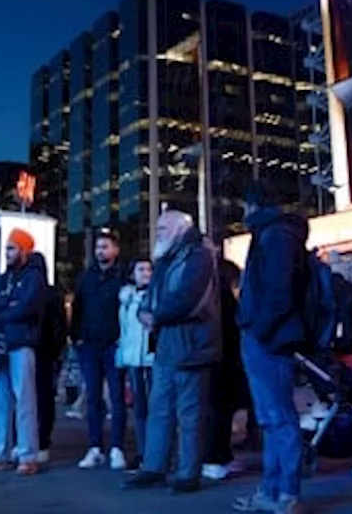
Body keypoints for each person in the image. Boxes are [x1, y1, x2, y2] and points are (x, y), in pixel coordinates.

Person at [123, 210, 220, 495]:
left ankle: (187, 473)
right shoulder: (168, 258)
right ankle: (155, 466)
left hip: (191, 343)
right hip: (169, 342)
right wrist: (146, 311)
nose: (159, 231)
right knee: (160, 408)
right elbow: (155, 293)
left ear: (181, 228)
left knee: (189, 413)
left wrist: (156, 316)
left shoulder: (199, 256)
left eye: (164, 227)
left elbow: (190, 298)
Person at [232, 180, 310, 514]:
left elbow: (278, 292)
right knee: (271, 417)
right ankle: (273, 490)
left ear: (252, 205)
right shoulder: (273, 233)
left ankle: (285, 493)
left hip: (268, 338)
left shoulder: (275, 235)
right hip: (265, 335)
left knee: (277, 416)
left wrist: (258, 330)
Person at [0, 228, 47, 476]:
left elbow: (24, 308)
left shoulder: (32, 279)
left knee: (25, 401)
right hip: (0, 345)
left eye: (12, 248)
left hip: (20, 344)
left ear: (25, 251)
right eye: (7, 248)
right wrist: (7, 304)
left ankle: (27, 456)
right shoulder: (4, 279)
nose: (7, 253)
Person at [73, 229, 128, 471]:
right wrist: (77, 339)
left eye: (105, 246)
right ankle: (95, 447)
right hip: (90, 346)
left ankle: (117, 447)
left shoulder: (123, 278)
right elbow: (78, 309)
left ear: (115, 250)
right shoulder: (86, 278)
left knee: (117, 398)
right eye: (98, 247)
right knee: (93, 398)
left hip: (115, 346)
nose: (100, 251)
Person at [203, 248, 245, 482]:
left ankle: (218, 456)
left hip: (213, 357)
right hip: (224, 359)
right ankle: (216, 457)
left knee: (215, 410)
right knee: (219, 411)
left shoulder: (207, 294)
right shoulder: (224, 299)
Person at [117, 259, 155, 471]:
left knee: (156, 406)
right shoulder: (126, 299)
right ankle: (143, 451)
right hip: (134, 358)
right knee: (139, 407)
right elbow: (124, 330)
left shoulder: (157, 295)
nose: (146, 273)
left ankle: (157, 451)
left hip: (152, 358)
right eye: (141, 269)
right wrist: (123, 356)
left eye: (149, 269)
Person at [37, 272, 69, 464]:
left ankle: (40, 440)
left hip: (43, 350)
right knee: (43, 398)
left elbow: (59, 325)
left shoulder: (48, 295)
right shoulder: (52, 294)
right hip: (45, 350)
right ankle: (40, 441)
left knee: (40, 398)